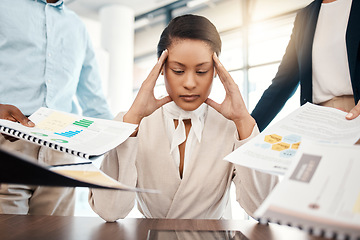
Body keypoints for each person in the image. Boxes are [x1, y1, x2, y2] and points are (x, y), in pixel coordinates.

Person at [89, 14, 278, 222]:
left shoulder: (232, 127)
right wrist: (133, 119)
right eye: (178, 71)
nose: (189, 83)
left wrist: (243, 120)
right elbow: (109, 211)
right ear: (161, 69)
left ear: (216, 71)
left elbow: (263, 208)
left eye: (201, 71)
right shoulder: (133, 123)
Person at [0, 0, 113, 216]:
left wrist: (117, 138)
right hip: (8, 142)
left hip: (62, 153)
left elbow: (95, 103)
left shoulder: (77, 27)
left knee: (56, 233)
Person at [251, 0, 360, 131]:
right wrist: (246, 130)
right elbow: (282, 85)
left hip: (355, 113)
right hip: (317, 121)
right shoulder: (304, 17)